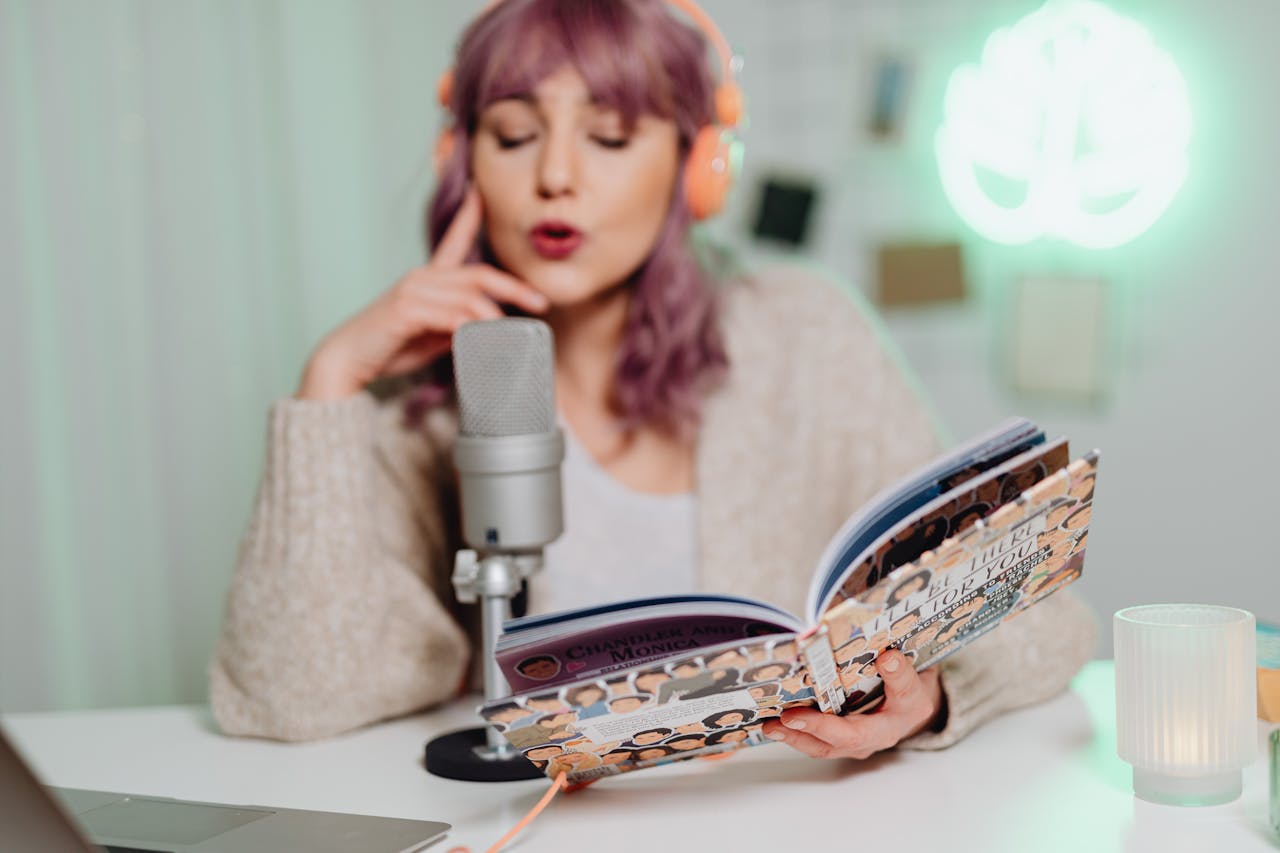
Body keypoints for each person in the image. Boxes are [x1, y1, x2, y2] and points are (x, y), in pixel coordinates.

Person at [208, 0, 1096, 764]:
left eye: (610, 135)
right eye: (514, 135)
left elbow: (1043, 621)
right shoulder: (432, 409)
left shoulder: (804, 335)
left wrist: (930, 698)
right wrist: (329, 384)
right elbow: (295, 692)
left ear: (696, 168)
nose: (554, 175)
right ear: (463, 158)